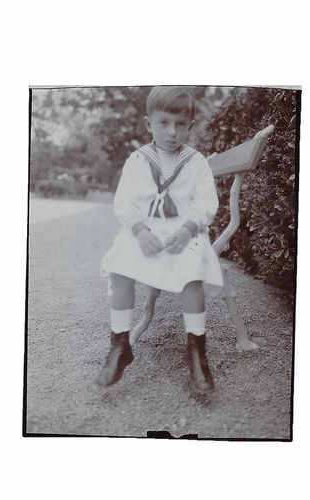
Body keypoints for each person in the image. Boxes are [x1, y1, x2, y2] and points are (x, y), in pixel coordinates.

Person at [95, 86, 224, 392]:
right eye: (164, 123)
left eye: (181, 124)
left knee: (192, 274)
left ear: (190, 126)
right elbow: (124, 203)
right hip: (146, 230)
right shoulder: (138, 159)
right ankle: (120, 344)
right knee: (121, 267)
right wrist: (139, 231)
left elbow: (206, 202)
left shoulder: (195, 161)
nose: (172, 132)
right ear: (148, 124)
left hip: (183, 231)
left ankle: (196, 351)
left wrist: (189, 228)